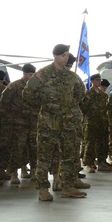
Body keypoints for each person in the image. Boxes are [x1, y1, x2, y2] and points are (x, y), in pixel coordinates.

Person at [24, 44, 87, 200]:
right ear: (56, 56)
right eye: (64, 55)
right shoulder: (42, 75)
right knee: (44, 156)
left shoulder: (71, 76)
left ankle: (68, 186)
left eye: (67, 55)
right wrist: (45, 105)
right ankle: (43, 189)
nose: (66, 58)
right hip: (48, 122)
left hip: (68, 122)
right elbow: (27, 94)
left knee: (69, 155)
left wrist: (68, 106)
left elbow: (80, 93)